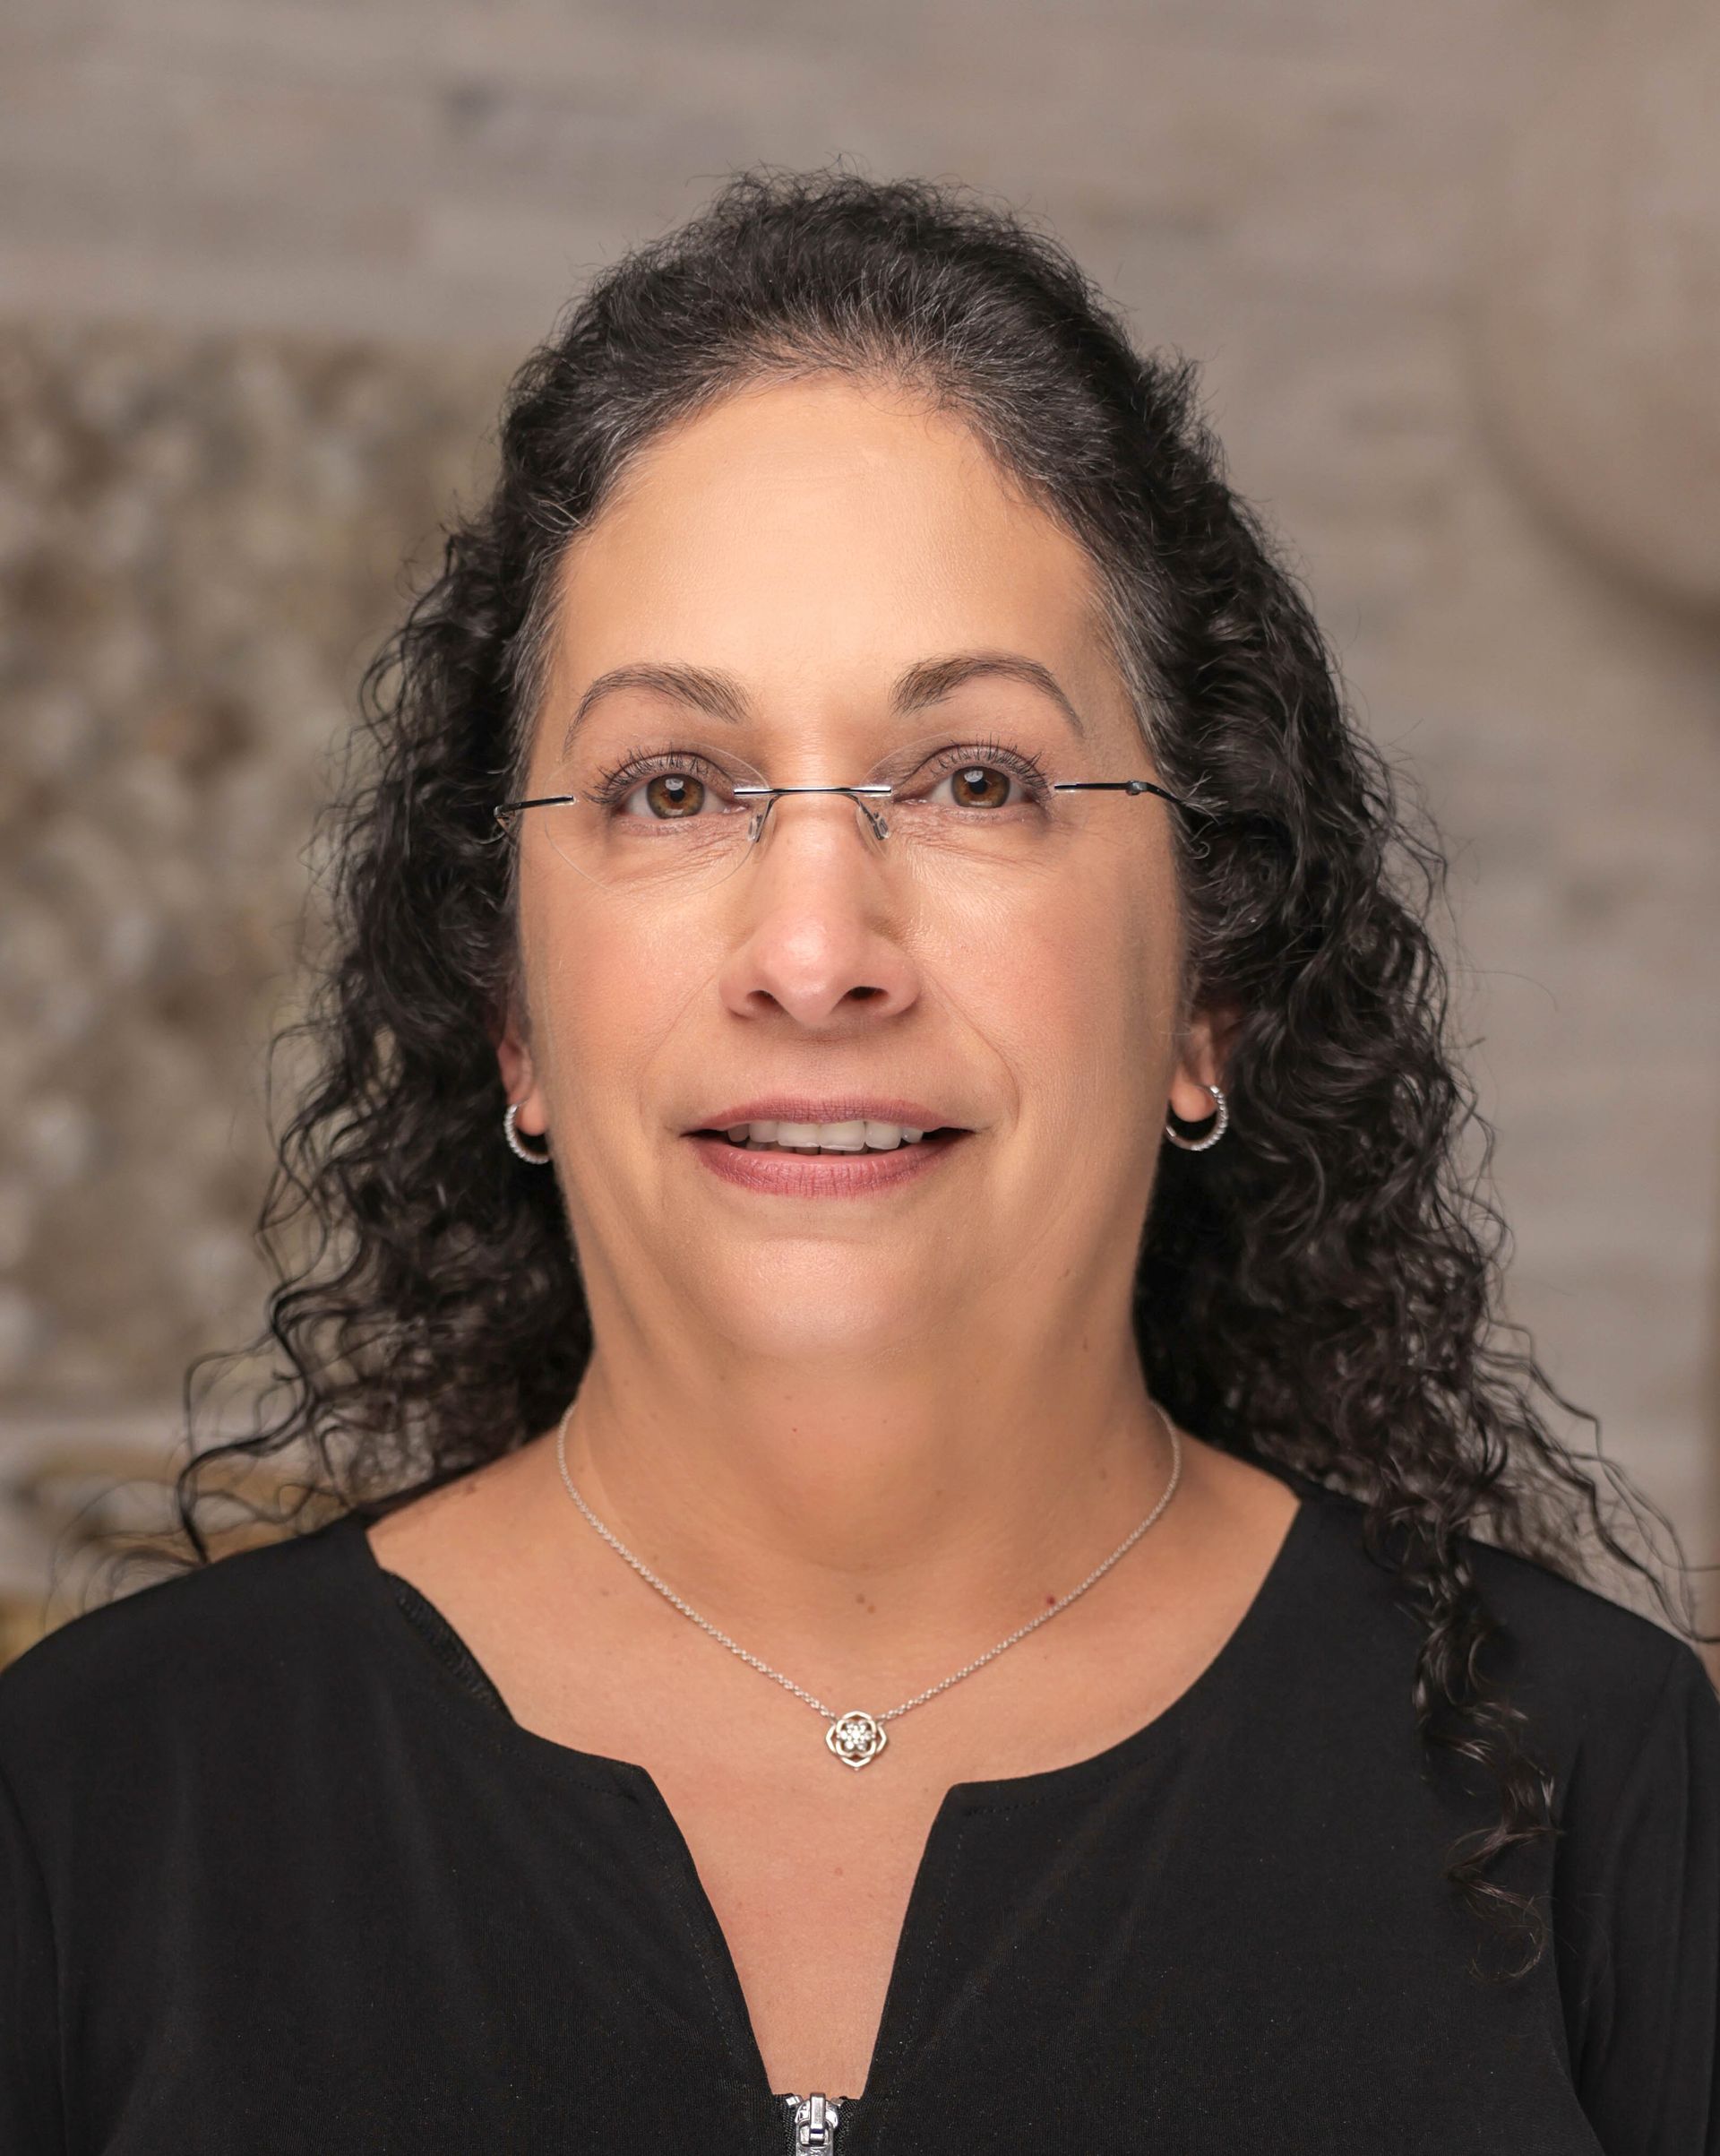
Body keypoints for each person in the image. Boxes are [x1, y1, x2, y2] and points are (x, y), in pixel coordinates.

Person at [2, 166, 1716, 2155]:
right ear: (514, 1015)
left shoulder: (1605, 1801)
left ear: (1206, 987)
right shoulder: (92, 1815)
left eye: (977, 779)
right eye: (674, 787)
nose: (816, 953)